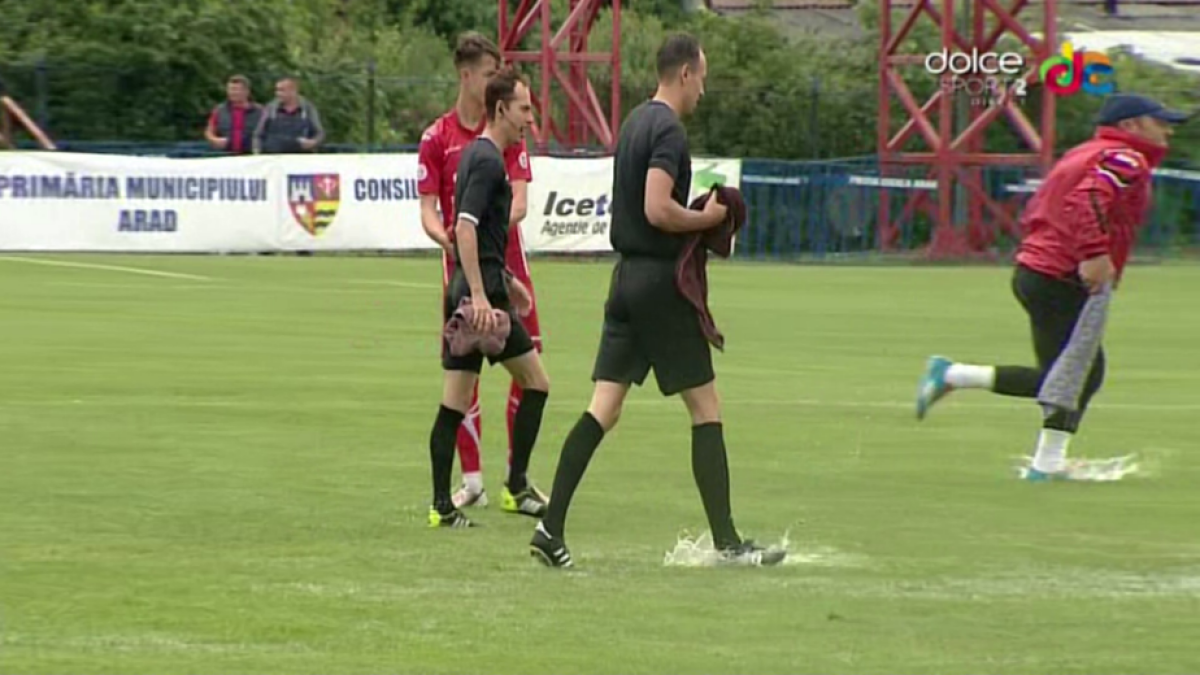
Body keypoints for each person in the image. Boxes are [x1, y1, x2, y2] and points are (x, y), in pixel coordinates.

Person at [528, 33, 787, 567]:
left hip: (624, 281)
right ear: (686, 73)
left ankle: (549, 530)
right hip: (658, 286)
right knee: (705, 407)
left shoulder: (634, 124)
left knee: (605, 407)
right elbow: (656, 209)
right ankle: (728, 543)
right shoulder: (669, 129)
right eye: (703, 79)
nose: (704, 91)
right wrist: (708, 219)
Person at [915, 93, 1188, 480]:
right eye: (1159, 120)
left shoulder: (1087, 152)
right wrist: (1094, 253)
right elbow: (1087, 199)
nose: (1167, 129)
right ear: (1130, 126)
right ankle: (1041, 460)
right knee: (1079, 374)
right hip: (1062, 273)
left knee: (1065, 373)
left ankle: (958, 381)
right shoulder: (1124, 157)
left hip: (1038, 270)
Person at [417, 32, 546, 513]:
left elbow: (484, 224)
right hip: (479, 292)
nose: (529, 120)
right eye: (525, 111)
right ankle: (510, 484)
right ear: (500, 108)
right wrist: (483, 292)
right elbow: (465, 226)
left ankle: (441, 506)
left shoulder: (476, 153)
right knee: (538, 383)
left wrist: (507, 282)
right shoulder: (481, 154)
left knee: (454, 399)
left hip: (480, 284)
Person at [253, 78, 325, 154]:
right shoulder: (270, 108)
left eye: (282, 90)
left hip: (300, 157)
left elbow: (319, 133)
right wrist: (257, 152)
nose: (278, 93)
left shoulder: (308, 109)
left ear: (293, 91)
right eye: (277, 90)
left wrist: (313, 142)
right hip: (274, 158)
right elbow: (258, 134)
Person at [204, 75, 263, 155]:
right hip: (225, 155)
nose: (233, 93)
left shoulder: (260, 111)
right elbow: (209, 131)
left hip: (251, 156)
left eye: (237, 89)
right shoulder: (219, 110)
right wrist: (214, 140)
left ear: (247, 91)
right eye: (231, 89)